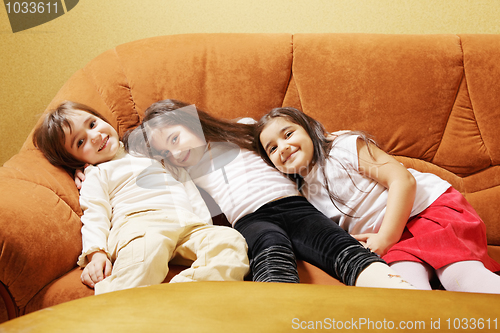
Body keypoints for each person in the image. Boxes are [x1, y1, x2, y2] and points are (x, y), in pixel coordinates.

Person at [123, 99, 416, 289]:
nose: (175, 152)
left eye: (175, 138)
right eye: (165, 152)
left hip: (293, 205)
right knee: (270, 250)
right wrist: (94, 168)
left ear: (192, 123)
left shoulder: (243, 129)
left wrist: (326, 138)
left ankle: (400, 292)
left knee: (336, 244)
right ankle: (275, 315)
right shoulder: (183, 171)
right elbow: (133, 161)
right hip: (250, 220)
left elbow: (290, 140)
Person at [255, 106, 500, 293]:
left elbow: (402, 181)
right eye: (272, 149)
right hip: (395, 243)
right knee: (402, 287)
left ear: (309, 130)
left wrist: (385, 237)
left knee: (458, 275)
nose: (283, 147)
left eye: (288, 134)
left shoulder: (342, 147)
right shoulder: (303, 194)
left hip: (429, 212)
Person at [32, 101, 249, 295]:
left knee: (230, 242)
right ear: (74, 160)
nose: (95, 136)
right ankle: (112, 314)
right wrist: (96, 253)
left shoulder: (144, 149)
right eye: (80, 142)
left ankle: (181, 299)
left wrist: (204, 224)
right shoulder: (97, 174)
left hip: (187, 224)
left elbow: (184, 181)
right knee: (146, 256)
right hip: (142, 227)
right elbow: (95, 212)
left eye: (92, 124)